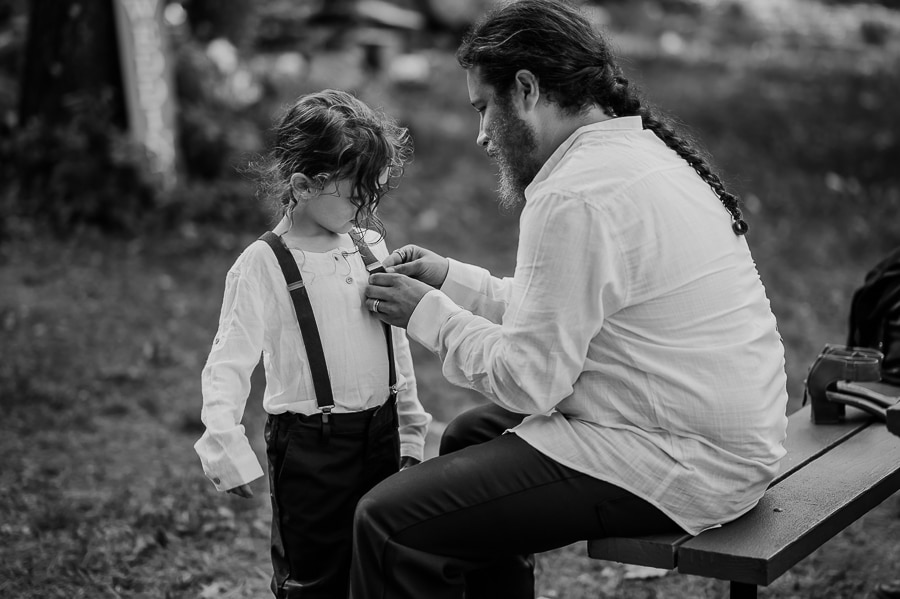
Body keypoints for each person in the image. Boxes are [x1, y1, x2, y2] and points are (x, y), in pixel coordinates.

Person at [350, 1, 789, 597]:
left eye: (484, 108)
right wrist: (451, 278)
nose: (481, 135)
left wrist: (427, 315)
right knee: (470, 436)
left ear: (526, 89)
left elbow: (531, 380)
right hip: (724, 437)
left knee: (389, 522)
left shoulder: (573, 194)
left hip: (688, 461)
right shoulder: (635, 154)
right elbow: (563, 312)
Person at [194, 89, 431, 599]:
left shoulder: (367, 247)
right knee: (314, 575)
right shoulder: (263, 264)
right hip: (310, 447)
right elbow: (228, 363)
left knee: (380, 564)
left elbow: (396, 343)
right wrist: (225, 447)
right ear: (303, 185)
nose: (366, 207)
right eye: (355, 194)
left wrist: (410, 428)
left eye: (374, 193)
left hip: (380, 433)